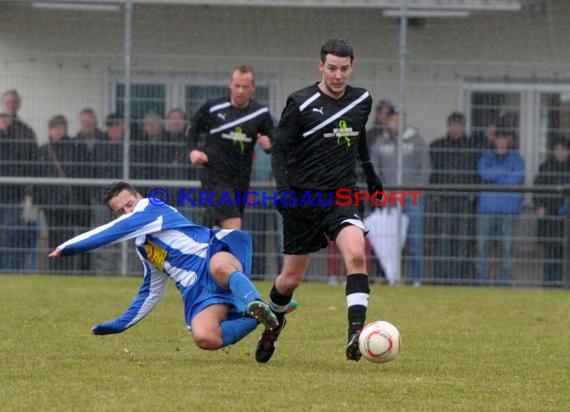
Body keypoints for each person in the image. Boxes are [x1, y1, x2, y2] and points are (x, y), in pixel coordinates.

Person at [48, 181, 290, 351]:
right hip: (199, 291)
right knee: (205, 337)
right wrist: (120, 324)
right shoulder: (143, 247)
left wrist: (70, 246)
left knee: (219, 268)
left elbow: (112, 232)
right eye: (120, 211)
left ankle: (254, 301)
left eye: (129, 204)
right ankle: (269, 314)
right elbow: (151, 292)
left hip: (214, 251)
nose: (127, 212)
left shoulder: (151, 208)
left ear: (139, 198)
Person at [259, 38, 383, 363]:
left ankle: (356, 334)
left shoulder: (362, 100)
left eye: (344, 68)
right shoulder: (300, 102)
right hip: (302, 198)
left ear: (352, 67)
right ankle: (274, 324)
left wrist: (372, 178)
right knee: (291, 279)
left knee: (356, 255)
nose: (338, 75)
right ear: (320, 67)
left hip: (342, 196)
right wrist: (284, 191)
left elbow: (359, 139)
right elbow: (280, 150)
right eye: (332, 68)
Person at [187, 64, 274, 229]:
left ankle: (206, 251)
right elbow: (193, 129)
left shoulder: (260, 113)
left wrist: (269, 145)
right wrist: (193, 151)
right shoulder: (213, 107)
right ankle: (235, 255)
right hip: (214, 176)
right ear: (230, 85)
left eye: (245, 87)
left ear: (253, 88)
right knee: (233, 225)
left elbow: (275, 138)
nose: (240, 91)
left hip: (241, 178)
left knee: (216, 227)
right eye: (237, 86)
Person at [369, 106, 430, 286]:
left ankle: (416, 278)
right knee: (388, 239)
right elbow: (374, 169)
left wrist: (416, 190)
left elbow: (425, 169)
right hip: (389, 198)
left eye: (399, 118)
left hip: (412, 197)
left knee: (415, 239)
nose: (396, 122)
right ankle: (390, 276)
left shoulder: (416, 140)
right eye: (393, 119)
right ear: (387, 121)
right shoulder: (380, 142)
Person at [36, 115, 90, 272]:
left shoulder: (75, 148)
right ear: (50, 130)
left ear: (65, 129)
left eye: (60, 128)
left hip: (68, 202)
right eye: (55, 128)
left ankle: (69, 270)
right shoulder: (44, 150)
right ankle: (56, 270)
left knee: (69, 238)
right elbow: (38, 176)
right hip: (51, 204)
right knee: (54, 237)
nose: (58, 132)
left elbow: (81, 172)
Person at [429, 111, 479, 282]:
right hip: (445, 199)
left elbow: (476, 172)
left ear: (463, 126)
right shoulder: (438, 146)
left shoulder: (473, 146)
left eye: (459, 124)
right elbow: (433, 172)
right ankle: (443, 277)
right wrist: (435, 191)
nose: (456, 128)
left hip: (465, 199)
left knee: (462, 241)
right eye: (453, 124)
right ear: (449, 126)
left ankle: (460, 277)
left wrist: (473, 192)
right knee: (444, 239)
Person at [476, 127, 525, 284]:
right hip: (487, 209)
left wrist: (495, 178)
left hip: (509, 209)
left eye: (505, 138)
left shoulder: (517, 158)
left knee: (507, 247)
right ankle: (481, 282)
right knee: (483, 246)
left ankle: (503, 283)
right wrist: (505, 174)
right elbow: (484, 173)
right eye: (499, 137)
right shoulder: (486, 157)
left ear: (509, 140)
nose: (502, 141)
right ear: (494, 140)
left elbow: (516, 178)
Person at [0, 111, 38, 270]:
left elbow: (24, 167)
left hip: (12, 196)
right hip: (9, 194)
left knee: (10, 235)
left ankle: (9, 270)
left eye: (4, 118)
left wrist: (27, 192)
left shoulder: (18, 140)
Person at [533, 137, 570, 286]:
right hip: (549, 218)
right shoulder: (545, 167)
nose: (560, 152)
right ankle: (548, 285)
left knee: (564, 255)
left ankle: (563, 285)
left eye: (563, 149)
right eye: (557, 149)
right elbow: (538, 190)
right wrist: (539, 206)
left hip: (567, 219)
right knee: (549, 254)